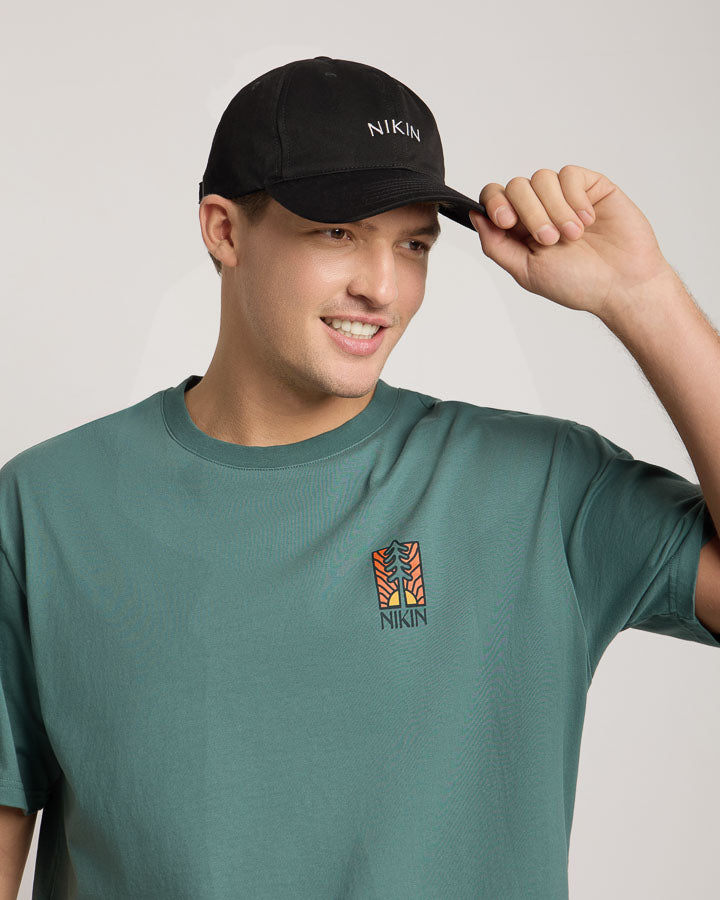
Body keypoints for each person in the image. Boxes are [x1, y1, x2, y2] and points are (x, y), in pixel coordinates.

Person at [1, 55, 719, 899]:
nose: (383, 287)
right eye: (337, 233)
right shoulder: (45, 508)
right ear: (224, 231)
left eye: (413, 244)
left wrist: (643, 296)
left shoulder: (541, 490)